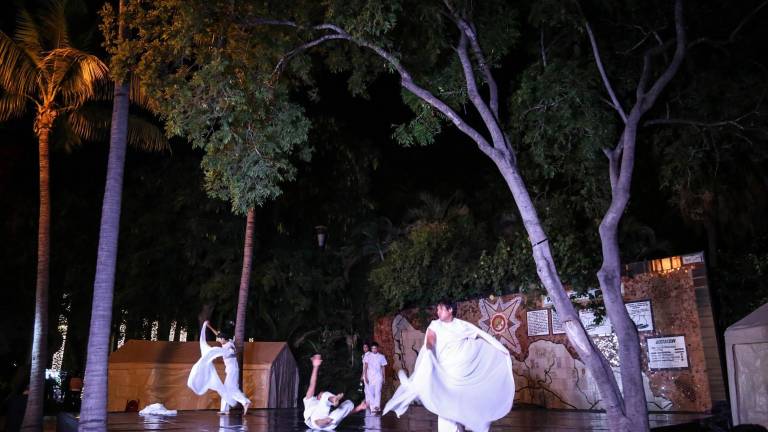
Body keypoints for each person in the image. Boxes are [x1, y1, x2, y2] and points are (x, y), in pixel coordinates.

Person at [383, 298, 514, 432]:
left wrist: (499, 349)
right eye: (438, 308)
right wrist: (429, 347)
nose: (437, 311)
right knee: (446, 408)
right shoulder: (435, 325)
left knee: (460, 406)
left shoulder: (462, 326)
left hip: (461, 375)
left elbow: (481, 336)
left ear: (450, 310)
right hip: (445, 374)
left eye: (441, 308)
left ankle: (464, 425)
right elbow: (430, 338)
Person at [187, 321, 251, 415]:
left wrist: (225, 352)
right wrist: (208, 326)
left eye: (220, 339)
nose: (219, 340)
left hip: (233, 370)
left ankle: (245, 401)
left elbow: (231, 351)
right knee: (225, 389)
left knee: (230, 389)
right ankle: (225, 410)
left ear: (223, 339)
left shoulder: (229, 346)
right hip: (230, 370)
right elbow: (218, 334)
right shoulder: (227, 342)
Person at [303, 354, 367, 430]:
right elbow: (312, 384)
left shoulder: (327, 407)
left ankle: (330, 414)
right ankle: (333, 402)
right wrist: (315, 367)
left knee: (348, 404)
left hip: (330, 424)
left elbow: (343, 414)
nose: (322, 394)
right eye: (321, 393)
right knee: (326, 396)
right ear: (317, 396)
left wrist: (359, 408)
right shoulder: (309, 400)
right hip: (315, 422)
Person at [363, 342, 387, 413]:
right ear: (371, 349)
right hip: (370, 376)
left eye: (375, 348)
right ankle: (372, 406)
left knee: (378, 391)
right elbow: (365, 367)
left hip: (378, 376)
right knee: (371, 392)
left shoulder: (381, 356)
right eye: (372, 348)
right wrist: (365, 376)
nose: (374, 350)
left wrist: (384, 377)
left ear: (377, 348)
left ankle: (377, 406)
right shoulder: (368, 356)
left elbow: (383, 367)